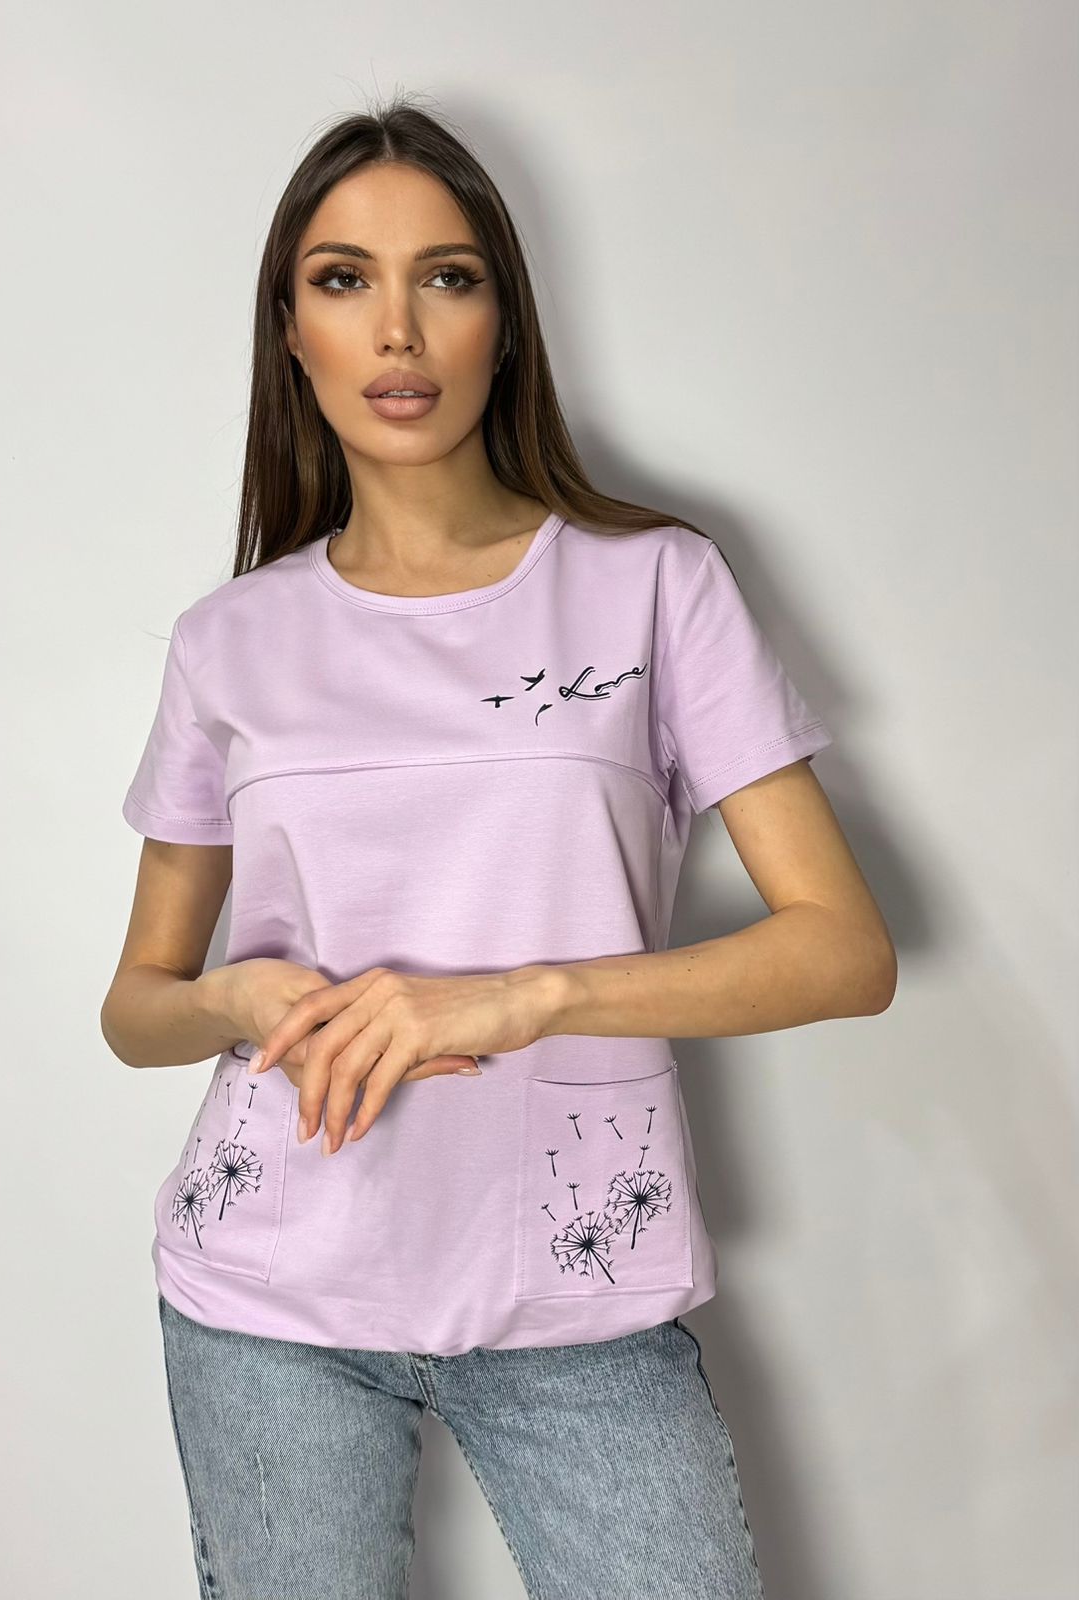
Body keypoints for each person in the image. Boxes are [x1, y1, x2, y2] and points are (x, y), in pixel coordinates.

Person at [101, 94, 896, 1600]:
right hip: (269, 1290)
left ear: (505, 323)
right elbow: (136, 1004)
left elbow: (845, 953)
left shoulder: (654, 586)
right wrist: (231, 999)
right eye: (345, 280)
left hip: (574, 1287)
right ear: (291, 333)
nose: (397, 329)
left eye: (447, 277)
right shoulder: (227, 643)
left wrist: (526, 997)